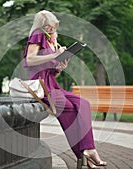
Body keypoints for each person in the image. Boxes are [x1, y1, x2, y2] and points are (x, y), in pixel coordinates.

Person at [23, 10, 107, 168]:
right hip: (41, 85)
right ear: (43, 25)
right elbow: (30, 59)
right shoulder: (37, 34)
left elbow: (50, 71)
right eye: (50, 27)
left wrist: (60, 66)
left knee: (84, 104)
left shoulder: (51, 40)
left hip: (51, 83)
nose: (53, 30)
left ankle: (89, 150)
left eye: (54, 27)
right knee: (68, 110)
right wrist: (54, 56)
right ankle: (84, 153)